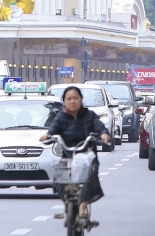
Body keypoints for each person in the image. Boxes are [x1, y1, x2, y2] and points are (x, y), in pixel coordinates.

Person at [40, 86, 111, 221]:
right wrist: (48, 135)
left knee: (91, 177)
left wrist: (103, 134)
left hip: (87, 156)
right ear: (64, 101)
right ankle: (67, 205)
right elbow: (53, 130)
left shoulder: (90, 115)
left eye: (75, 98)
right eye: (69, 99)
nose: (72, 101)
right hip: (67, 156)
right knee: (58, 180)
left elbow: (99, 127)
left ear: (81, 100)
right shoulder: (61, 117)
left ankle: (83, 206)